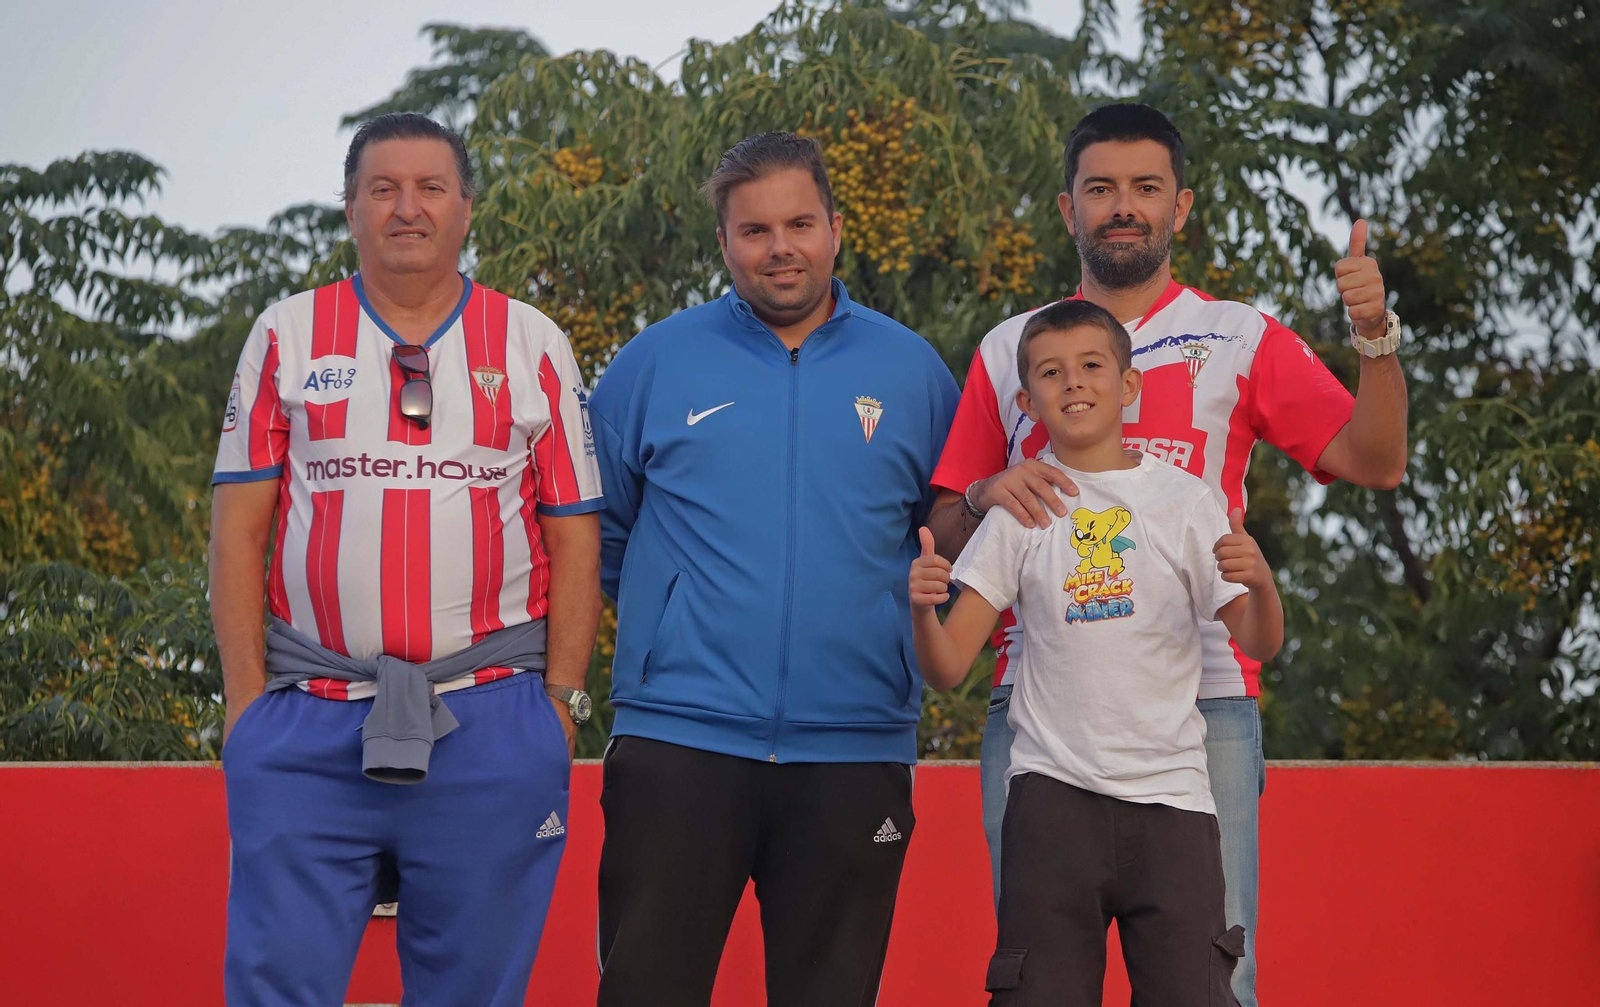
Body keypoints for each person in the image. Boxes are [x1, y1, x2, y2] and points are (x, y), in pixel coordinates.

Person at [926, 103, 1408, 1005]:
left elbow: (1376, 461)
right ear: (1068, 209)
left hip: (1208, 708)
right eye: (1100, 188)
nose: (1123, 207)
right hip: (1042, 719)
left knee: (1220, 980)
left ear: (1179, 208)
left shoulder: (1239, 334)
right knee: (1037, 980)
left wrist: (1374, 335)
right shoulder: (1010, 347)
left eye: (1146, 189)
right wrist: (992, 489)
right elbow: (949, 519)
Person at [209, 112, 603, 1006]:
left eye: (430, 188)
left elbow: (576, 537)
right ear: (349, 209)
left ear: (467, 208)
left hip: (492, 722)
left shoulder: (531, 341)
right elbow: (238, 531)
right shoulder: (287, 333)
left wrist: (560, 709)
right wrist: (244, 715)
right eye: (382, 189)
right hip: (307, 721)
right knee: (276, 987)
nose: (407, 208)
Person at [588, 131, 961, 1007]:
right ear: (723, 243)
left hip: (855, 744)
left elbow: (948, 540)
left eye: (799, 223)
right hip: (679, 743)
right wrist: (674, 622)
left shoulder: (912, 371)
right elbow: (595, 533)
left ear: (836, 227)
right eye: (754, 230)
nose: (780, 247)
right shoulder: (654, 362)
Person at [912, 300, 1283, 1005]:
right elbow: (947, 665)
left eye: (1091, 366)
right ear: (1027, 400)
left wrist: (1261, 581)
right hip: (1052, 803)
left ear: (1129, 385)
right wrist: (922, 609)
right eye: (1051, 372)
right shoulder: (1021, 506)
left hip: (1173, 804)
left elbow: (1261, 637)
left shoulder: (1185, 501)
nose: (1074, 382)